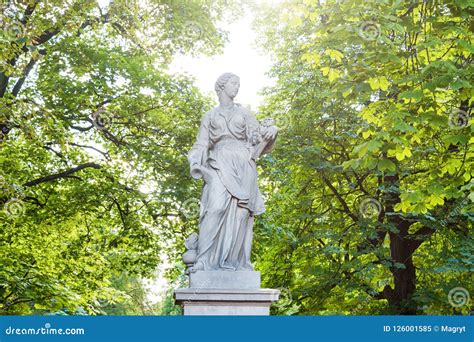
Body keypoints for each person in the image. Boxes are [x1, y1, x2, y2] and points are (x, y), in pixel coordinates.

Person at [187, 72, 278, 272]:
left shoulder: (245, 113)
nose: (237, 87)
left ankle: (236, 263)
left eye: (238, 84)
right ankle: (203, 261)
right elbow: (201, 144)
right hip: (219, 162)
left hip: (243, 164)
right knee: (216, 208)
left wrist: (273, 130)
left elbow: (257, 139)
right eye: (233, 83)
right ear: (221, 86)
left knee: (241, 214)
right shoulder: (210, 115)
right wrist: (194, 161)